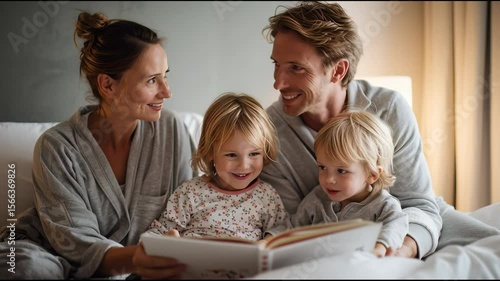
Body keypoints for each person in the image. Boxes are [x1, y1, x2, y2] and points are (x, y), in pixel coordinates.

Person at [259, 1, 500, 260]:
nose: (278, 82)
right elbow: (295, 227)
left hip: (411, 228)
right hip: (334, 243)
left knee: (489, 251)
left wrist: (399, 252)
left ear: (338, 70)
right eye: (276, 64)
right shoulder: (269, 130)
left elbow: (418, 203)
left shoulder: (389, 107)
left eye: (296, 68)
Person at [0, 11, 196, 279]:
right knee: (27, 268)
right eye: (152, 80)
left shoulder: (171, 131)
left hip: (140, 266)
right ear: (107, 85)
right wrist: (136, 259)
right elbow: (72, 239)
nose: (167, 91)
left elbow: (190, 208)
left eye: (165, 76)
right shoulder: (57, 147)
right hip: (51, 256)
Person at [147, 92, 289, 243]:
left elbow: (282, 232)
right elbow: (158, 232)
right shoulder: (191, 192)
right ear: (210, 154)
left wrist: (268, 240)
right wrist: (168, 240)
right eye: (232, 155)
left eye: (254, 153)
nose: (244, 165)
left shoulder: (266, 196)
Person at [290, 110, 408, 257]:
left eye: (341, 171)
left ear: (372, 175)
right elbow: (292, 227)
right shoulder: (317, 198)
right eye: (322, 167)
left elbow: (396, 226)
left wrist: (380, 248)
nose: (328, 179)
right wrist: (269, 239)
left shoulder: (383, 205)